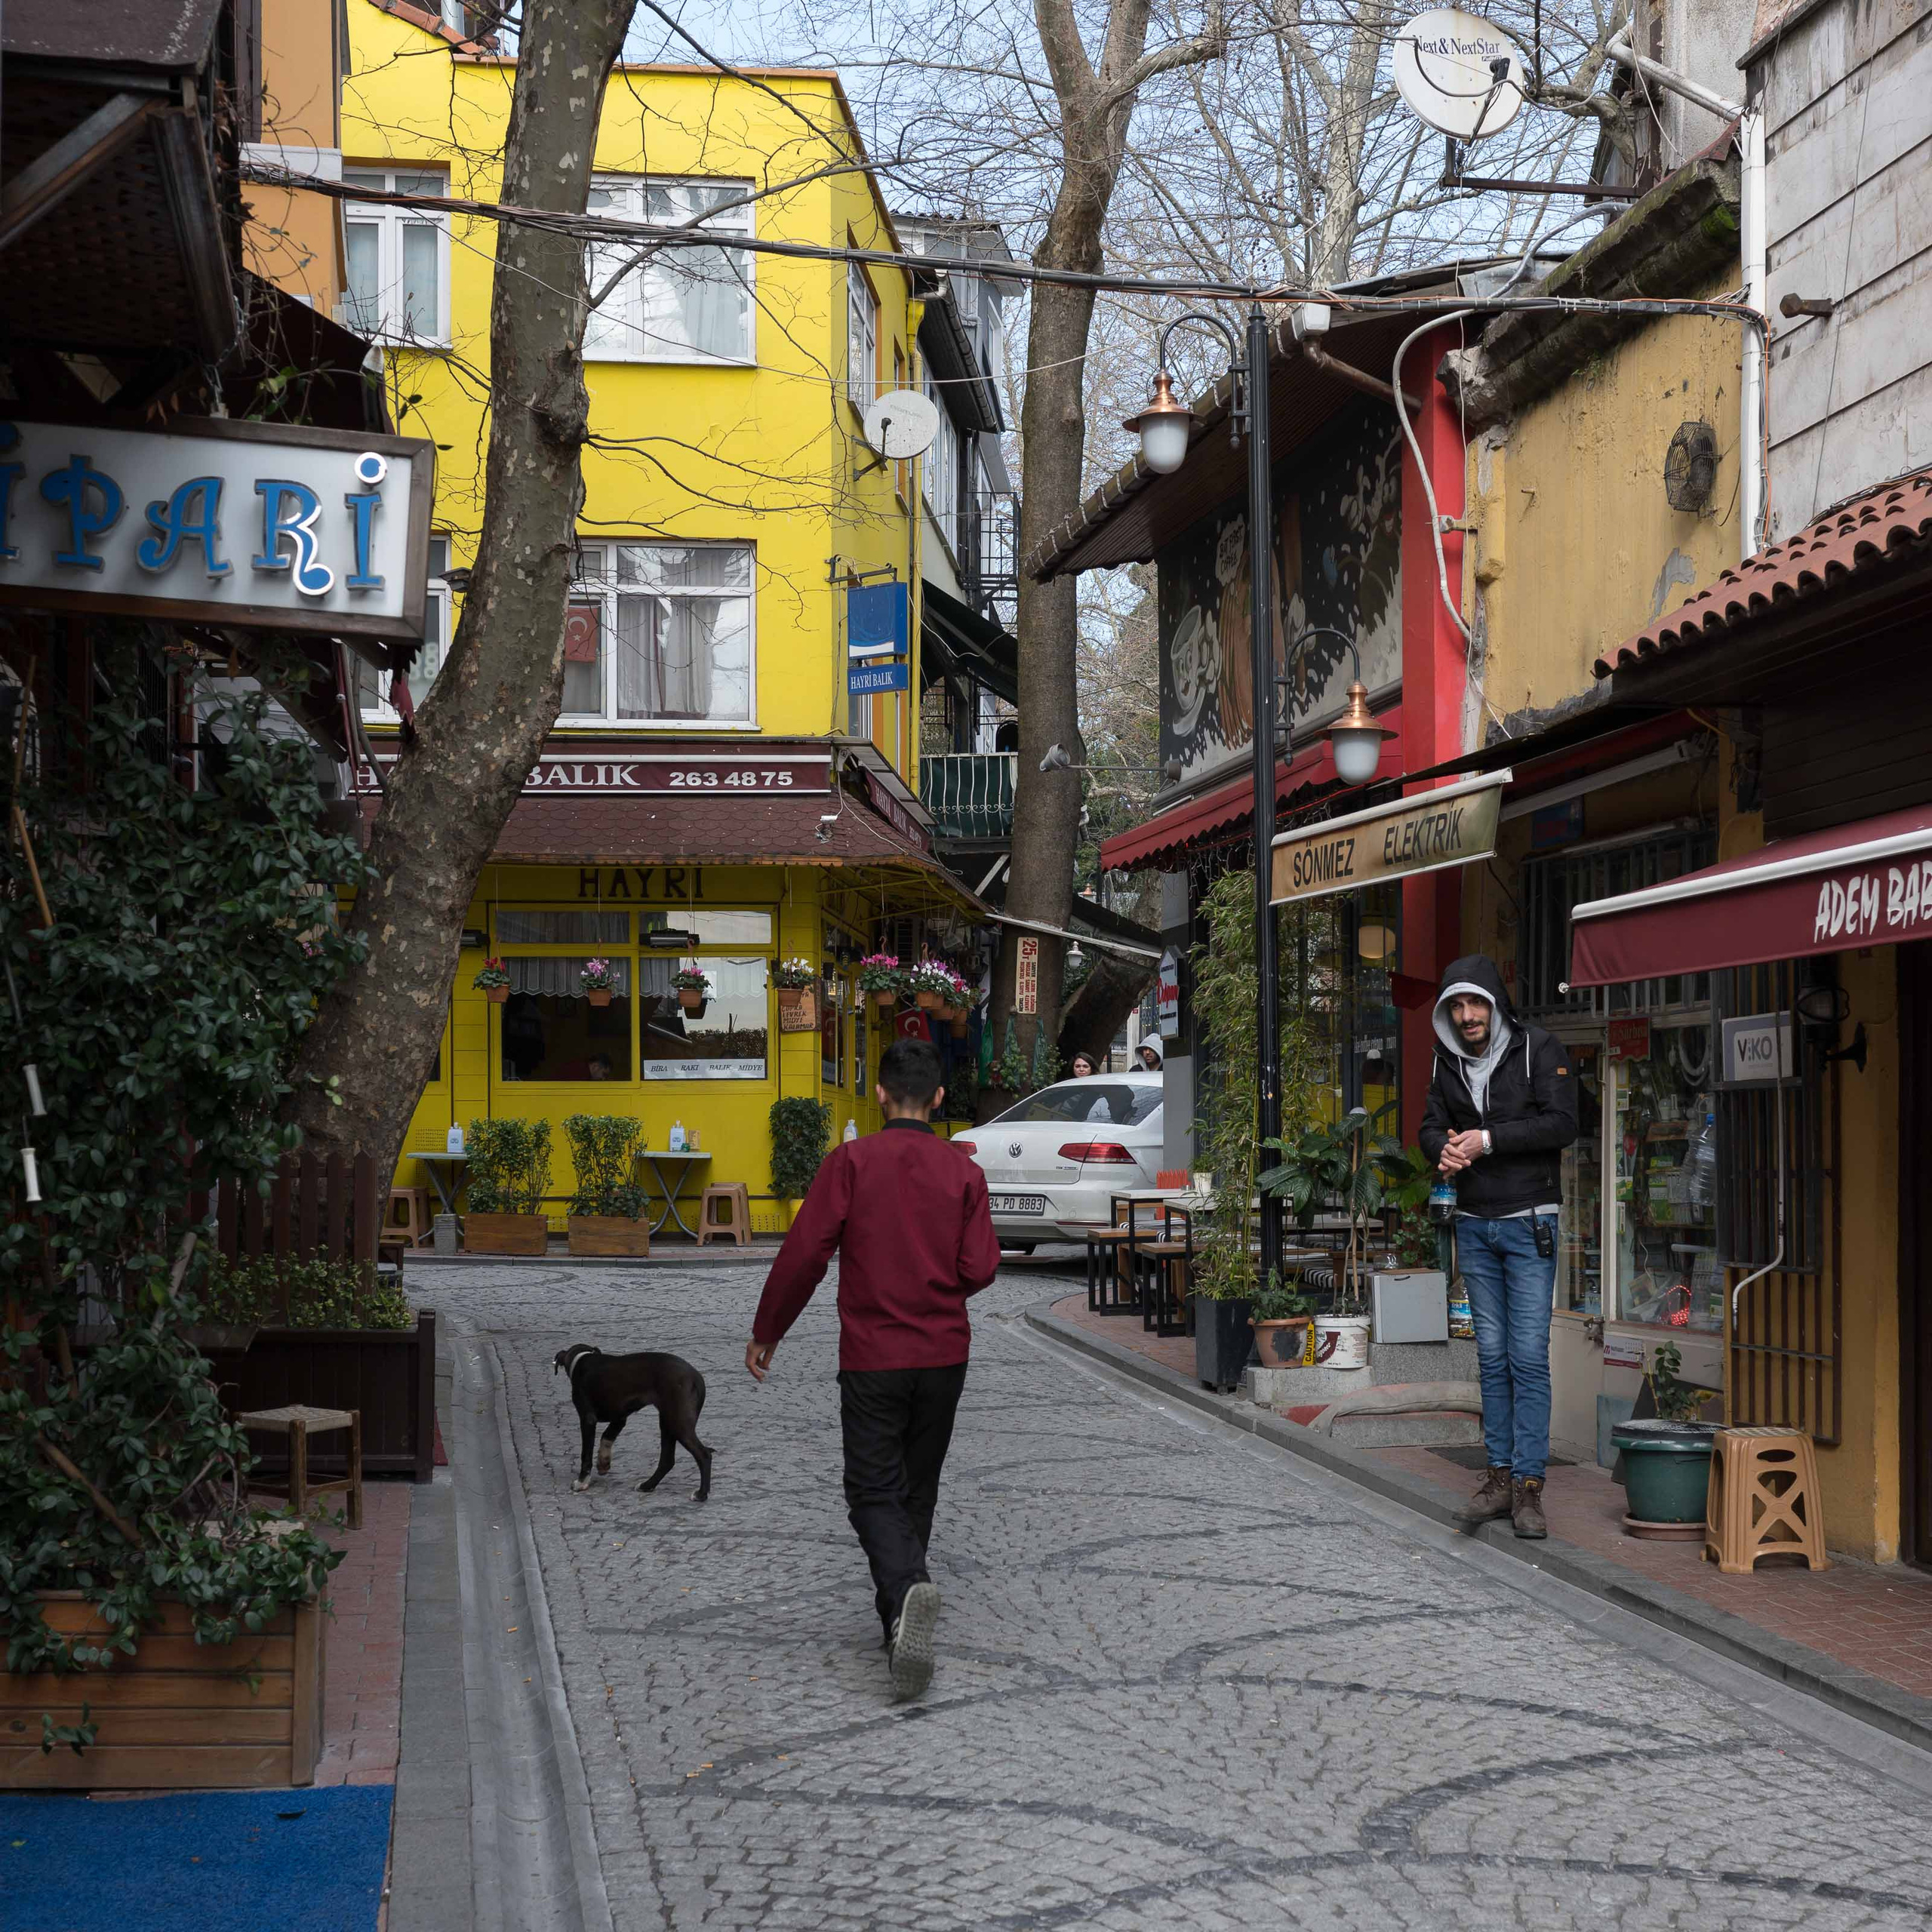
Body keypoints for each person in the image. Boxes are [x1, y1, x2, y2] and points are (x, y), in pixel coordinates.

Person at [746, 1038, 1000, 1700]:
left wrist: (769, 1329)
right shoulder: (964, 1173)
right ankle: (898, 1616)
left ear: (880, 1094)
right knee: (917, 1485)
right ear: (940, 1098)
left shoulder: (851, 1162)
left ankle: (907, 1590)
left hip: (873, 1356)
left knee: (870, 1489)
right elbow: (980, 1268)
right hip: (945, 1354)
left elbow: (805, 1254)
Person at [1418, 955, 1578, 1540]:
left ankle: (1531, 1489)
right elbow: (1429, 1125)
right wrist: (1445, 1149)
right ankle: (1499, 1478)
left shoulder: (1539, 1048)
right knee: (1490, 1359)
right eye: (1456, 1006)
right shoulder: (1447, 1060)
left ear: (1494, 1002)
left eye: (1474, 1003)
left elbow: (1563, 1124)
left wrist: (1487, 1140)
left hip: (1529, 1221)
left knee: (1527, 1358)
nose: (1466, 1016)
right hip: (1473, 1223)